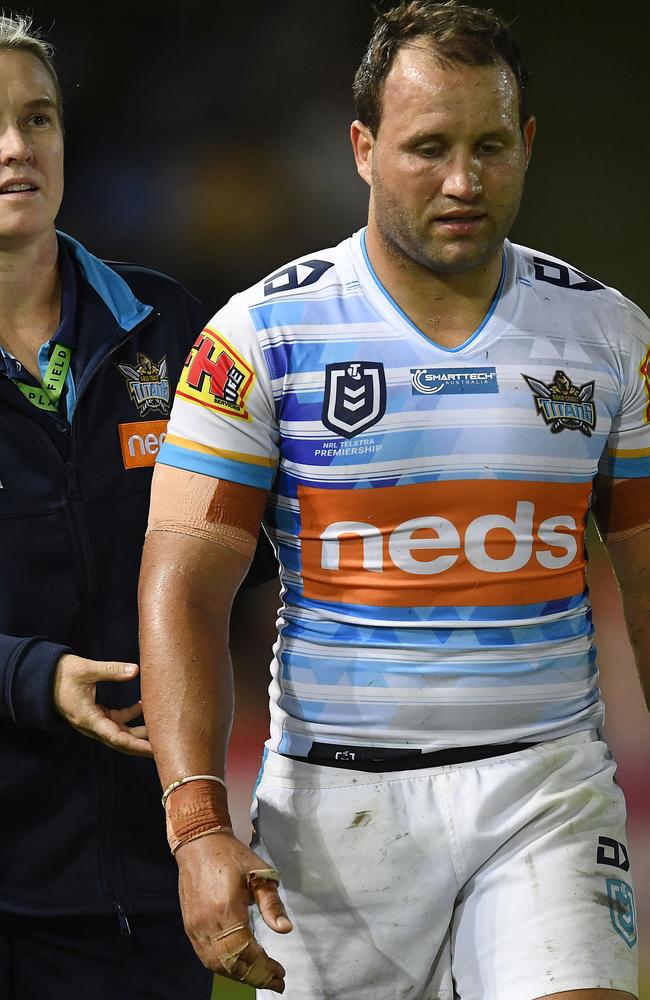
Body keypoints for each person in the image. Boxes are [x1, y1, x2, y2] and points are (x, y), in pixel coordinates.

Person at [138, 2, 649, 997]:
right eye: (427, 149)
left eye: (488, 145)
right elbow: (181, 582)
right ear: (363, 149)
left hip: (545, 788)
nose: (462, 182)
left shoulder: (607, 337)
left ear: (526, 143)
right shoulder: (256, 340)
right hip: (336, 811)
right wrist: (197, 823)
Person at [0, 13, 278, 999]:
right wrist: (36, 678)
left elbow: (258, 548)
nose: (16, 148)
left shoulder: (169, 326)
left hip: (142, 893)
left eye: (38, 118)